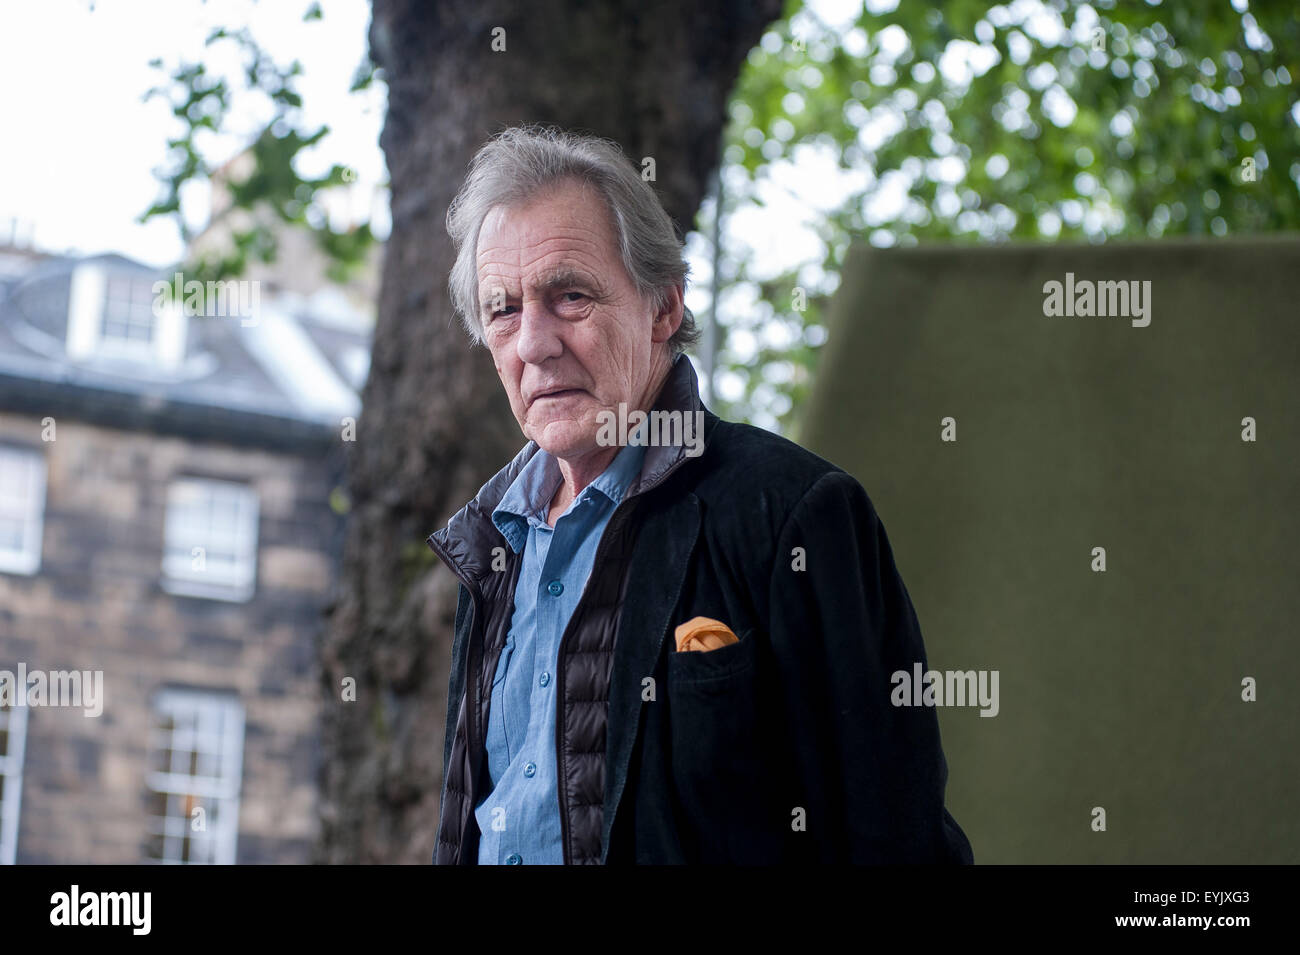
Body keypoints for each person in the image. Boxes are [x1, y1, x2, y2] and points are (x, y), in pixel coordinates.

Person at [427, 125, 974, 865]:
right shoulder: (492, 544)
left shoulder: (794, 513)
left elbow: (894, 840)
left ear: (663, 307)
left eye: (571, 295)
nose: (534, 342)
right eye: (503, 309)